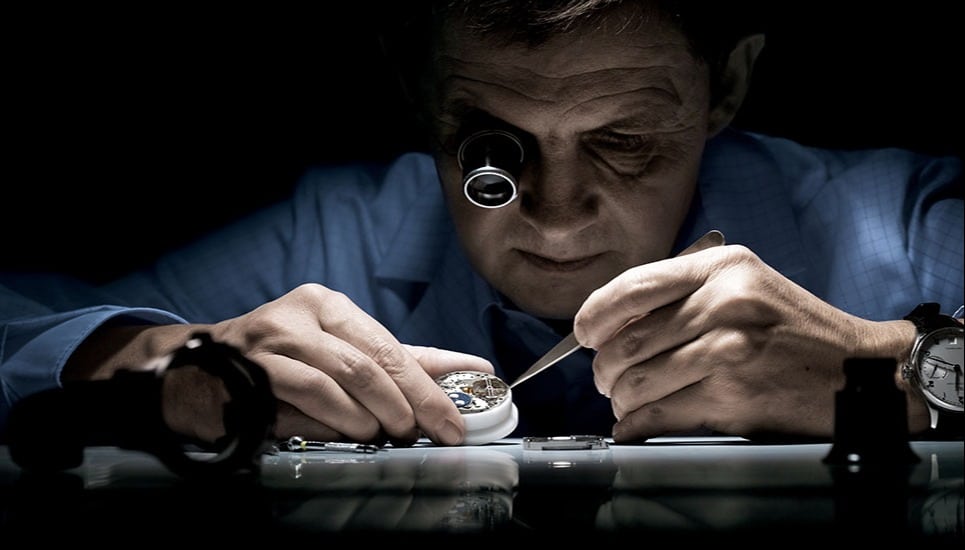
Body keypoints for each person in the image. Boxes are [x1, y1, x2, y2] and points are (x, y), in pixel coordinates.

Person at [1, 0, 962, 448]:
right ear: (421, 98)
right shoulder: (336, 238)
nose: (553, 211)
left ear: (729, 87)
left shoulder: (895, 222)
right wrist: (157, 371)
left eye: (624, 140)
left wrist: (902, 373)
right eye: (493, 152)